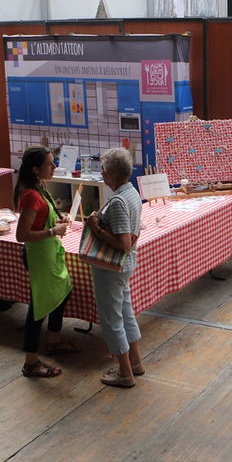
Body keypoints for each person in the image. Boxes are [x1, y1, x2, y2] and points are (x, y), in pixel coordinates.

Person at [84, 148, 144, 387]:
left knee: (111, 320)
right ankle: (136, 362)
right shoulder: (131, 194)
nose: (101, 174)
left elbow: (123, 243)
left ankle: (124, 372)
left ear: (110, 173)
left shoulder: (118, 201)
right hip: (125, 267)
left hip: (111, 269)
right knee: (126, 314)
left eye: (102, 170)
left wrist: (95, 227)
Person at [14, 147, 73, 379]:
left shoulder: (41, 188)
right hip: (39, 255)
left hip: (49, 253)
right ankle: (30, 362)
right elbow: (22, 235)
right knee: (38, 307)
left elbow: (45, 216)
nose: (54, 167)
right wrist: (52, 231)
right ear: (35, 169)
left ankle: (54, 340)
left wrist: (60, 218)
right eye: (50, 163)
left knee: (63, 290)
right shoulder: (30, 195)